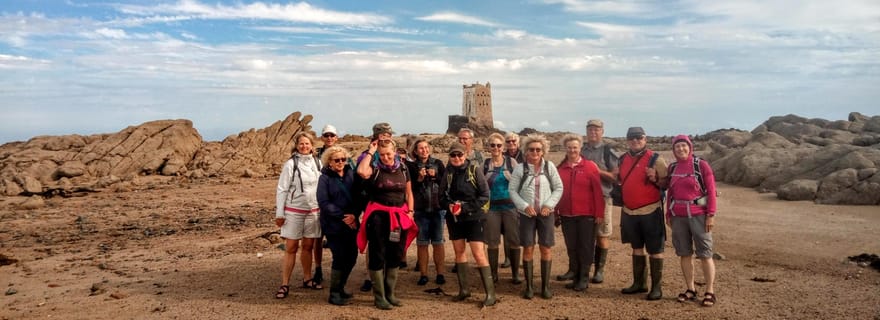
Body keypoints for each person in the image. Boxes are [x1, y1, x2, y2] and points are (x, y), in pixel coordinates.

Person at [356, 138, 417, 310]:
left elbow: (409, 193)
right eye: (382, 155)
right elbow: (361, 171)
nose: (385, 157)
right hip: (378, 217)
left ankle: (390, 294)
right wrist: (371, 151)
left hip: (399, 216)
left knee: (395, 253)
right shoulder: (374, 168)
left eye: (389, 154)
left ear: (395, 152)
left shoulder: (403, 168)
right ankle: (379, 297)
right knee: (377, 254)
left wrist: (411, 212)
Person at [664, 135, 718, 307]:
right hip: (678, 217)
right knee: (684, 253)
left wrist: (710, 215)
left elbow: (711, 191)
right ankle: (690, 289)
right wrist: (668, 214)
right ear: (673, 150)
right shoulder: (672, 167)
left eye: (683, 145)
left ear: (690, 147)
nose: (681, 149)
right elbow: (670, 193)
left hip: (699, 216)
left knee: (705, 254)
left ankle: (710, 291)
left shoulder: (701, 165)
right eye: (677, 146)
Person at [508, 134, 563, 300]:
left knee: (546, 248)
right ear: (526, 151)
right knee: (528, 248)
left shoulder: (549, 167)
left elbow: (558, 188)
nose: (535, 152)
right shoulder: (520, 169)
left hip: (546, 214)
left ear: (543, 151)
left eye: (538, 149)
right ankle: (529, 287)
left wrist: (549, 205)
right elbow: (512, 190)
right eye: (531, 149)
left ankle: (545, 287)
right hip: (527, 215)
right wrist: (524, 206)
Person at [618, 127, 669, 301]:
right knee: (637, 248)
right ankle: (639, 283)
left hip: (650, 210)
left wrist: (656, 178)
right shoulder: (622, 159)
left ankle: (656, 288)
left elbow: (666, 183)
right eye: (631, 138)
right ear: (627, 140)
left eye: (639, 137)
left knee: (655, 249)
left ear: (645, 139)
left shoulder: (655, 159)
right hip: (629, 211)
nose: (635, 141)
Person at [442, 142, 495, 307]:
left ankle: (490, 294)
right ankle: (464, 290)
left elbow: (485, 195)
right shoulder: (448, 172)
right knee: (459, 252)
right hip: (455, 218)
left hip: (474, 217)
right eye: (453, 155)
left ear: (465, 155)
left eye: (459, 154)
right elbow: (441, 196)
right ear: (449, 156)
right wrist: (449, 206)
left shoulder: (474, 170)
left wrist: (464, 208)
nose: (456, 158)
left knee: (478, 253)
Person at [274, 132, 323, 299]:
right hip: (294, 211)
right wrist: (280, 213)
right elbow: (282, 189)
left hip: (313, 211)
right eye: (301, 143)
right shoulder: (290, 164)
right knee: (291, 247)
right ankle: (285, 284)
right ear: (296, 146)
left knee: (308, 246)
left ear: (312, 145)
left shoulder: (317, 162)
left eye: (307, 143)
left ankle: (307, 278)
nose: (304, 146)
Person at [555, 134, 605, 292]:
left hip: (586, 215)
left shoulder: (590, 166)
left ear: (580, 148)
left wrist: (599, 213)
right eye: (569, 147)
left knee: (586, 247)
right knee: (572, 247)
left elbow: (598, 192)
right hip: (566, 215)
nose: (572, 150)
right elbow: (556, 192)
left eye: (575, 147)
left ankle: (583, 278)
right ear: (565, 148)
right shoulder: (560, 169)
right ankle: (575, 277)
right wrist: (556, 212)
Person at [317, 146, 363, 305]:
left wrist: (354, 215)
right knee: (339, 257)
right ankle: (334, 293)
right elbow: (323, 202)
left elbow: (359, 196)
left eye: (343, 159)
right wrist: (344, 216)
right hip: (333, 224)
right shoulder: (324, 178)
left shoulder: (351, 174)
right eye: (337, 160)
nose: (341, 162)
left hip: (352, 222)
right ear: (329, 162)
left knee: (352, 256)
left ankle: (341, 286)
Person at [355, 122, 396, 293]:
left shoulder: (395, 155)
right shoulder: (366, 156)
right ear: (377, 136)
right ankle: (370, 277)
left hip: (392, 207)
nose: (387, 137)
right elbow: (360, 177)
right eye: (384, 134)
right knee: (374, 243)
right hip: (372, 205)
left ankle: (385, 278)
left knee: (390, 243)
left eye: (389, 135)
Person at [576, 119, 619, 284]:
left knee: (602, 235)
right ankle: (580, 270)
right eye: (590, 129)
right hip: (583, 198)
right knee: (584, 236)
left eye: (596, 129)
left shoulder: (608, 151)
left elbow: (615, 177)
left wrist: (597, 170)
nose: (593, 132)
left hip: (602, 198)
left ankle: (599, 270)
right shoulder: (581, 150)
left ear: (602, 131)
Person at [406, 138, 448, 286]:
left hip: (437, 209)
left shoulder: (438, 163)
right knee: (422, 243)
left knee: (438, 242)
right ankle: (423, 275)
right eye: (421, 148)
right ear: (415, 151)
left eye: (426, 147)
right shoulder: (410, 166)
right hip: (420, 211)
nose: (424, 150)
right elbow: (409, 189)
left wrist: (435, 176)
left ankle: (440, 274)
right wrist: (419, 178)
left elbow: (445, 184)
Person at [482, 133, 521, 284]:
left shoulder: (512, 163)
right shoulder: (485, 164)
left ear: (503, 147)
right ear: (488, 147)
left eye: (499, 145)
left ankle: (515, 274)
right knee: (492, 242)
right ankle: (493, 274)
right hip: (492, 208)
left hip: (510, 207)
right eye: (493, 145)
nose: (496, 148)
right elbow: (480, 186)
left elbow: (520, 183)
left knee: (514, 240)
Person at [499, 131, 524, 269]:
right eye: (508, 141)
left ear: (518, 142)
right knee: (506, 229)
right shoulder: (502, 156)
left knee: (521, 229)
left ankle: (520, 258)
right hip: (506, 196)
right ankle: (508, 257)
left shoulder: (525, 156)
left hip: (522, 196)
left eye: (513, 141)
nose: (511, 143)